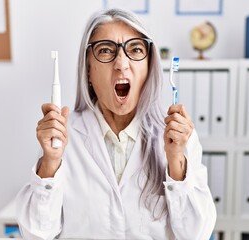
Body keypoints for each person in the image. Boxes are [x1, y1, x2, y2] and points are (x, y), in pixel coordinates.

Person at [16, 8, 216, 240]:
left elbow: (197, 234)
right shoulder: (61, 137)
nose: (121, 64)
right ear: (88, 70)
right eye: (105, 51)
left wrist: (176, 162)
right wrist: (50, 164)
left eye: (136, 50)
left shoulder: (178, 136)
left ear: (149, 67)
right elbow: (35, 234)